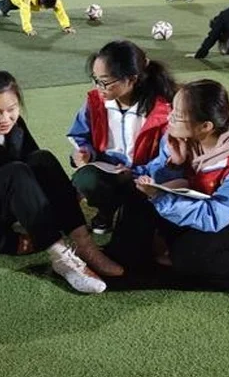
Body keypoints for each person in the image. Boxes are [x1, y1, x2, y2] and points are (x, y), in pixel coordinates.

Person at [0, 68, 124, 294]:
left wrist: (62, 199)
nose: (5, 119)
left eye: (11, 109)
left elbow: (34, 166)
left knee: (42, 158)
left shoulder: (15, 125)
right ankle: (60, 257)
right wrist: (6, 242)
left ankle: (84, 244)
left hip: (7, 196)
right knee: (16, 171)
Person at [111, 79, 229, 298]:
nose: (169, 119)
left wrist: (159, 198)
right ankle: (151, 252)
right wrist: (174, 165)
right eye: (172, 110)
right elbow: (160, 177)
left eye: (177, 116)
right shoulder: (182, 135)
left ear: (205, 126)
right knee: (137, 198)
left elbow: (215, 216)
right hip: (201, 201)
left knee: (190, 256)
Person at [67, 40, 175, 235]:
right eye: (95, 79)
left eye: (105, 81)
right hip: (107, 171)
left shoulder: (162, 110)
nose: (99, 87)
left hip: (146, 177)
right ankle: (106, 211)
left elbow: (167, 157)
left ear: (132, 78)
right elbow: (80, 134)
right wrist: (85, 153)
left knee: (135, 234)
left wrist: (137, 172)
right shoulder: (95, 102)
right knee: (86, 179)